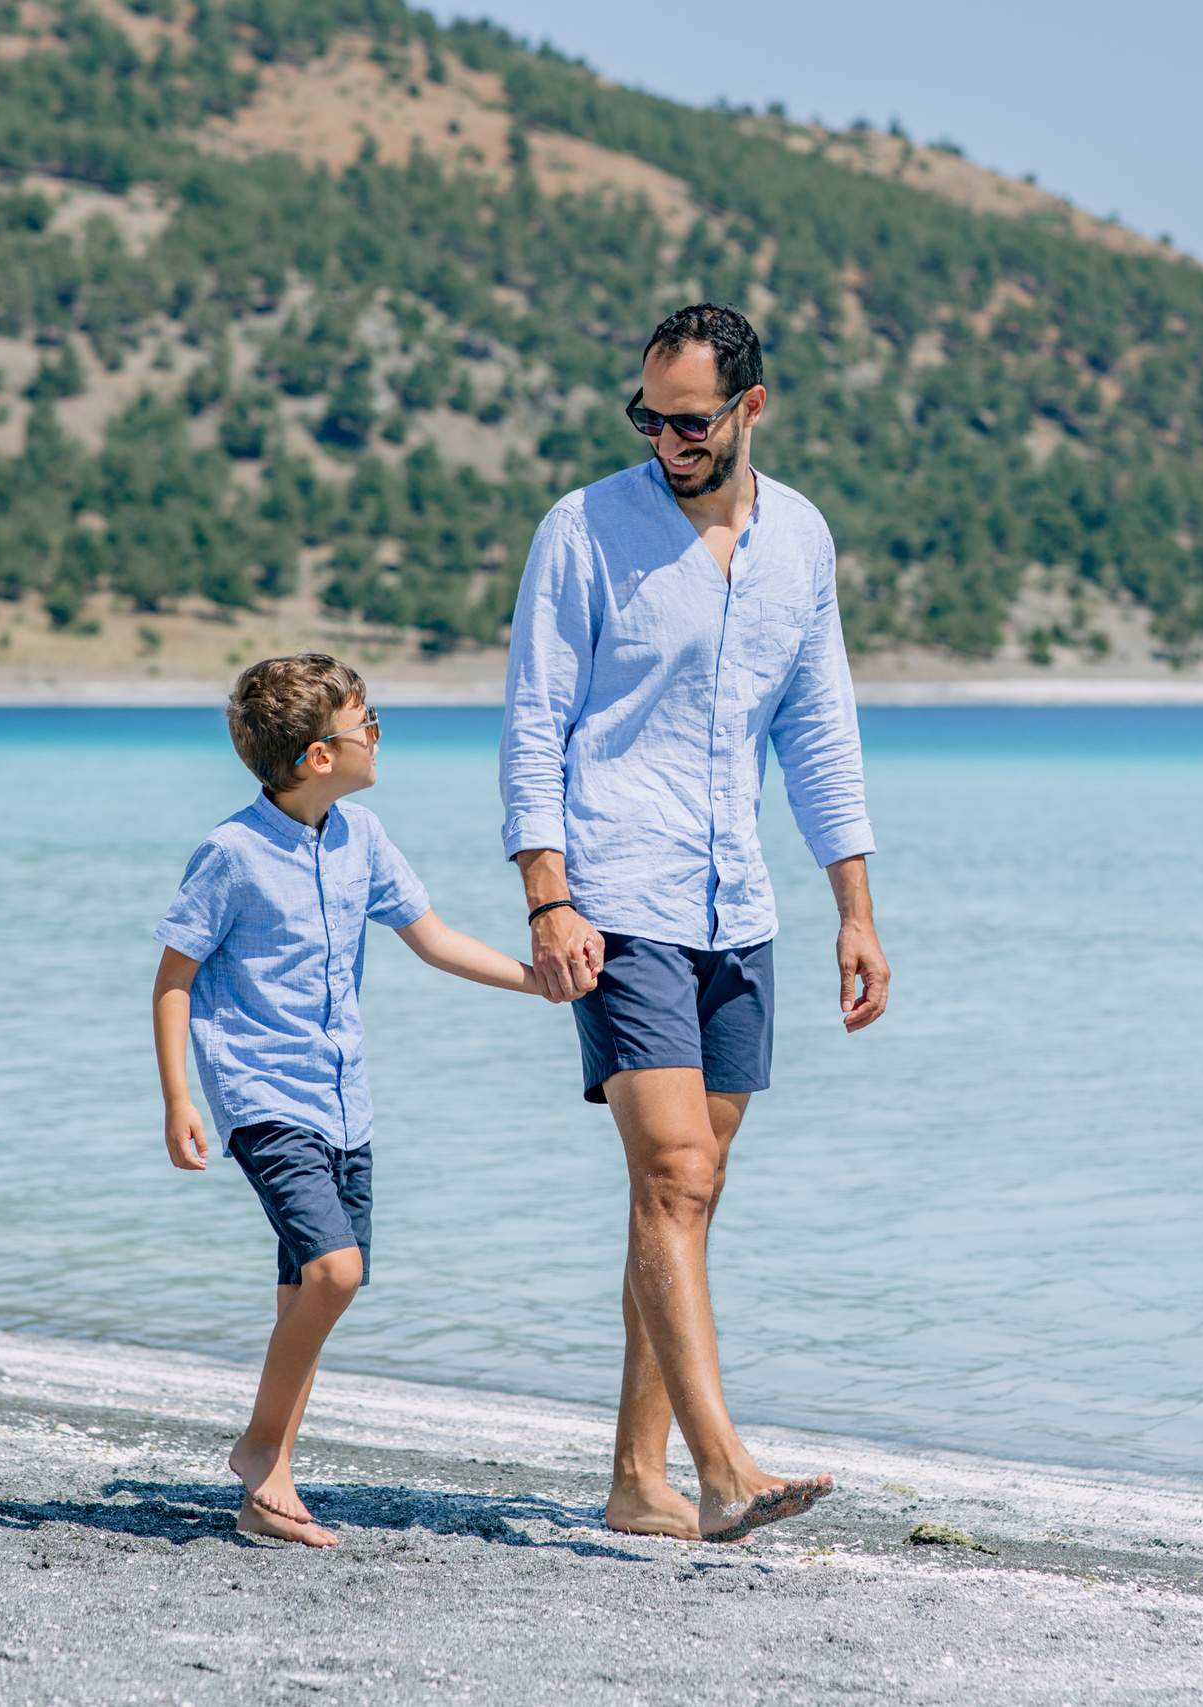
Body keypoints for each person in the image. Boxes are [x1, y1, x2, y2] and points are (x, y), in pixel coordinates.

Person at [500, 303, 891, 1544]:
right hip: (617, 894)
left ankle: (635, 1479)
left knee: (687, 1194)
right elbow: (533, 722)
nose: (669, 439)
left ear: (749, 408)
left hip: (739, 907)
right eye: (650, 418)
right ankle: (723, 1471)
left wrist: (854, 911)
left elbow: (819, 731)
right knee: (673, 1173)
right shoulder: (583, 530)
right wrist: (549, 896)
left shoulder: (801, 540)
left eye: (691, 420)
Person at [152, 653, 548, 1548]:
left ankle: (267, 1491)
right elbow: (174, 979)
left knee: (306, 1289)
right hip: (261, 1096)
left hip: (343, 1104)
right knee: (336, 1272)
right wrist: (180, 1098)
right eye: (367, 721)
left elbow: (433, 939)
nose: (377, 733)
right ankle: (259, 1445)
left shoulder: (362, 836)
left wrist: (541, 982)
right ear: (318, 757)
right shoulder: (231, 853)